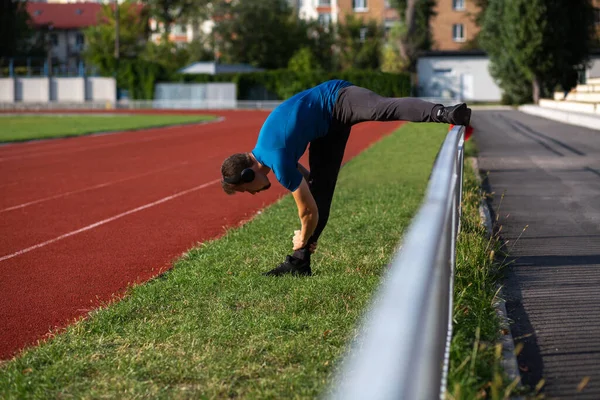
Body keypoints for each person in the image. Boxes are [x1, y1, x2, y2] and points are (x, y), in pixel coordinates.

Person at [220, 80, 471, 277]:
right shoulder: (269, 153)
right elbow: (308, 185)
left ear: (249, 173)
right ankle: (299, 263)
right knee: (321, 189)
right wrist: (309, 234)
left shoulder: (277, 159)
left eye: (246, 189)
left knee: (382, 109)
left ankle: (446, 113)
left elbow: (307, 213)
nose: (252, 194)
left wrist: (305, 234)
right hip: (326, 129)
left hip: (337, 98)